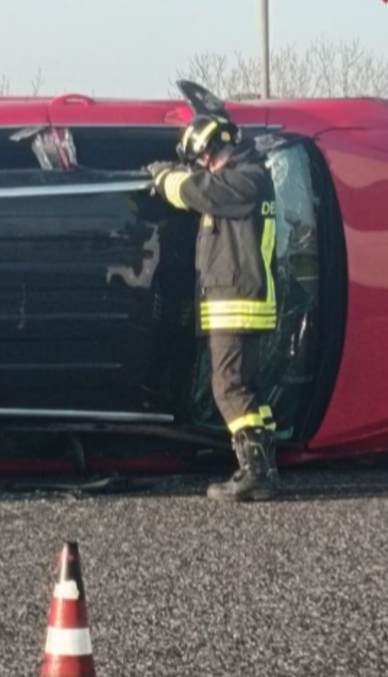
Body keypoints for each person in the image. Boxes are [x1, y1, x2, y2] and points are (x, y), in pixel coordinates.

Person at [145, 114, 280, 502]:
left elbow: (198, 191)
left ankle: (255, 473)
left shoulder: (246, 180)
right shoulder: (242, 179)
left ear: (223, 146)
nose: (205, 164)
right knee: (247, 388)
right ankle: (265, 466)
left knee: (228, 387)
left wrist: (163, 177)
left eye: (206, 156)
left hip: (236, 303)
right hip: (238, 302)